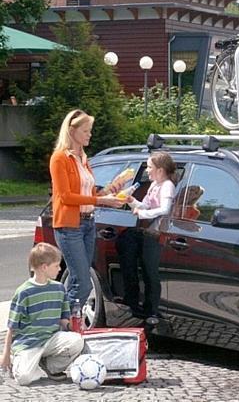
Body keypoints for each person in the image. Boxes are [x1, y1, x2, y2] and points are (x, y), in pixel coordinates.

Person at [50, 109, 122, 309]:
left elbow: (89, 196)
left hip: (88, 223)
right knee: (82, 282)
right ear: (72, 131)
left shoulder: (83, 158)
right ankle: (65, 323)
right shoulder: (59, 158)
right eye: (86, 130)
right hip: (69, 226)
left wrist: (108, 192)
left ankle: (66, 323)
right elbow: (65, 197)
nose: (90, 134)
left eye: (90, 130)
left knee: (80, 280)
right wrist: (102, 201)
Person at [1, 243, 84, 385]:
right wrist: (6, 354)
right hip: (28, 344)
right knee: (24, 379)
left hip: (50, 339)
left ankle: (49, 365)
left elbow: (63, 320)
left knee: (77, 341)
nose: (59, 269)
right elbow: (12, 327)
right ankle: (19, 361)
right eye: (56, 266)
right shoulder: (23, 292)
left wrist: (75, 326)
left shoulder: (59, 289)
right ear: (44, 267)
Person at [116, 152, 176, 319]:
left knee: (151, 274)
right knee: (147, 272)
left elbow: (165, 209)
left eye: (150, 167)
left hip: (158, 235)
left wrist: (142, 215)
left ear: (160, 170)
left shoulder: (167, 186)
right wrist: (131, 201)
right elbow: (146, 205)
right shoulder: (154, 185)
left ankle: (152, 310)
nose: (147, 171)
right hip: (149, 234)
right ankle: (143, 308)